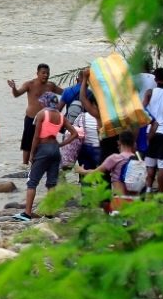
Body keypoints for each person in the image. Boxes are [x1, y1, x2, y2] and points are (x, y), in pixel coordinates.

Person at [17, 92, 79, 220]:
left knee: (32, 182)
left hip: (43, 149)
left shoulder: (42, 114)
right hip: (55, 150)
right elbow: (74, 133)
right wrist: (61, 144)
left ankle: (27, 213)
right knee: (51, 183)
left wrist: (32, 154)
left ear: (45, 102)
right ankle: (50, 212)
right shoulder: (61, 117)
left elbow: (36, 136)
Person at [8, 64, 63, 164]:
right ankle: (24, 165)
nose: (45, 75)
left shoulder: (50, 86)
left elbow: (65, 93)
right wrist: (13, 88)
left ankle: (39, 163)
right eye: (43, 73)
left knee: (43, 142)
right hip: (31, 118)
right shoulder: (30, 84)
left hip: (45, 121)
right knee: (27, 143)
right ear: (37, 73)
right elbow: (17, 94)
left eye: (47, 73)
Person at [78, 130, 138, 210]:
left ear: (119, 142)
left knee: (117, 221)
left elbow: (96, 172)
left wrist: (82, 171)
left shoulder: (115, 158)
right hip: (136, 201)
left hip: (119, 200)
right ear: (133, 144)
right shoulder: (138, 159)